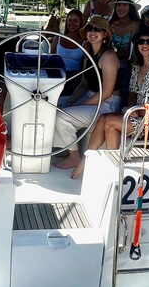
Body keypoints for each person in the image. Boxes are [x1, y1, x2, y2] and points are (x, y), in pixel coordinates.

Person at [67, 26, 149, 179]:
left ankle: (111, 167)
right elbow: (132, 92)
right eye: (141, 41)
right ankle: (92, 162)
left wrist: (138, 111)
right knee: (103, 119)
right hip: (138, 115)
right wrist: (132, 107)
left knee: (111, 122)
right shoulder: (137, 67)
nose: (144, 45)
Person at [52, 16, 121, 172]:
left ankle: (74, 156)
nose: (92, 32)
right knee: (54, 104)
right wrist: (71, 101)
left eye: (97, 30)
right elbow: (83, 84)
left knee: (60, 116)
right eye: (90, 29)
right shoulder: (88, 53)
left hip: (107, 103)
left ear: (105, 35)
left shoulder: (108, 56)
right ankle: (65, 146)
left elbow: (107, 92)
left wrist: (79, 104)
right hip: (92, 96)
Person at [109, 0, 141, 102]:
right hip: (112, 63)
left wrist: (112, 54)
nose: (121, 8)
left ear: (131, 8)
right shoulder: (110, 24)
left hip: (131, 64)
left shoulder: (137, 24)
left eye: (125, 5)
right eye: (119, 5)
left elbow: (130, 52)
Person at [55, 8, 85, 96]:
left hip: (75, 80)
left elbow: (85, 67)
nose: (72, 23)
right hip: (58, 77)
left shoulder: (85, 43)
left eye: (75, 21)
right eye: (70, 20)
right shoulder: (58, 39)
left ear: (81, 23)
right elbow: (51, 60)